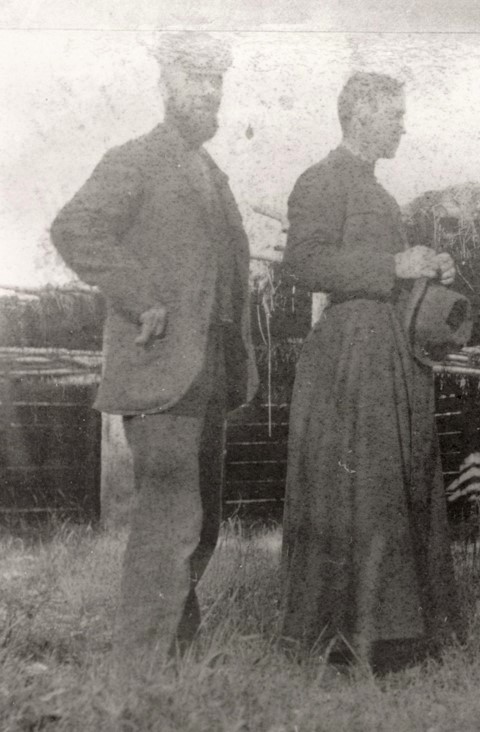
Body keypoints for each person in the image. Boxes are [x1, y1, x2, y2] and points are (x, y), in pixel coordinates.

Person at [50, 32, 258, 660]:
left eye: (216, 81)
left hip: (210, 370)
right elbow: (74, 228)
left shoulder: (212, 175)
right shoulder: (135, 159)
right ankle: (139, 673)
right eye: (196, 80)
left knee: (202, 527)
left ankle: (173, 658)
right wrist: (142, 298)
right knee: (169, 522)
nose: (208, 92)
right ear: (166, 86)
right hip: (161, 364)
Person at [280, 72, 462, 673]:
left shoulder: (379, 193)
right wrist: (393, 262)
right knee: (361, 490)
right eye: (394, 115)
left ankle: (398, 634)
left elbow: (382, 268)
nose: (402, 125)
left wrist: (424, 269)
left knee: (393, 484)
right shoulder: (320, 179)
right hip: (350, 356)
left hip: (390, 351)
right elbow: (304, 263)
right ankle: (352, 638)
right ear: (359, 114)